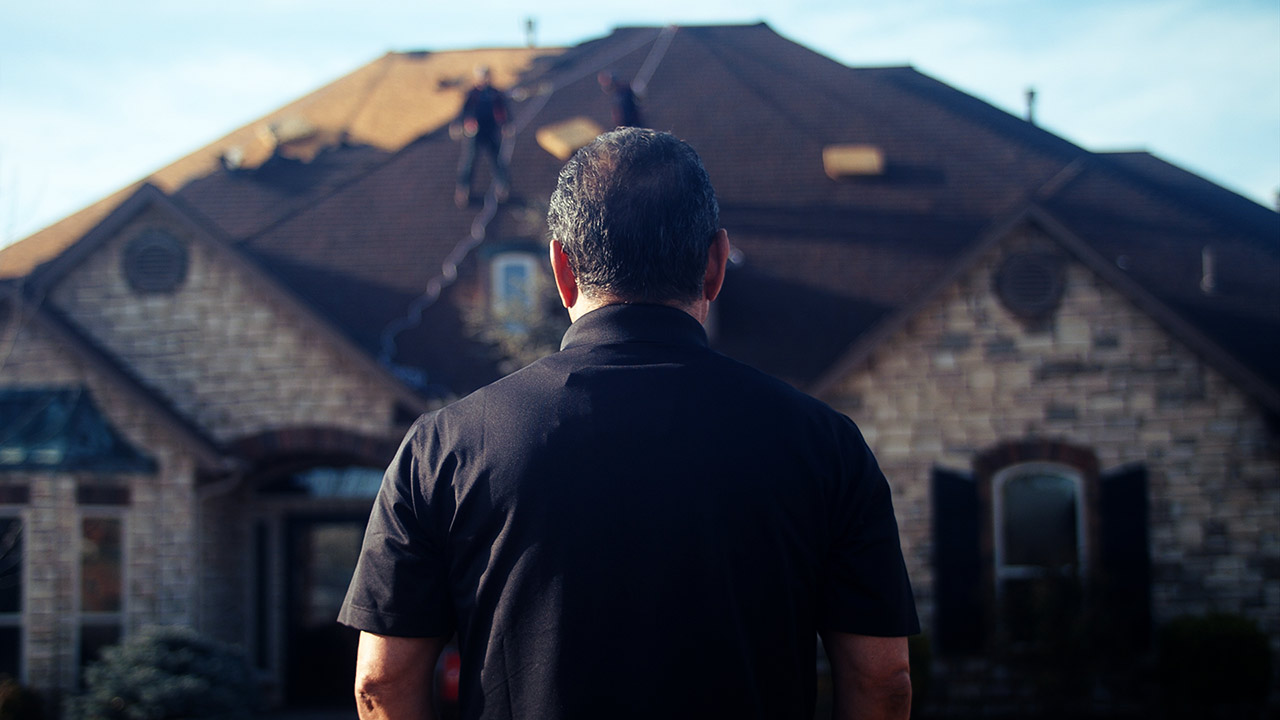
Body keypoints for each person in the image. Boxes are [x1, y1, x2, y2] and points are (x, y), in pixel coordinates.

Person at [339, 127, 919, 720]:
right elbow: (884, 679)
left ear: (561, 269)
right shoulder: (823, 445)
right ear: (716, 264)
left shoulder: (446, 448)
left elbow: (381, 684)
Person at [453, 65, 510, 207]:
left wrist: (506, 124)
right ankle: (463, 190)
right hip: (474, 133)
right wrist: (460, 124)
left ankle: (503, 188)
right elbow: (463, 112)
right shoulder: (472, 94)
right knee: (469, 161)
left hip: (490, 131)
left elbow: (502, 111)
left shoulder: (495, 94)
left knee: (496, 160)